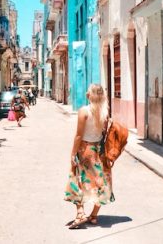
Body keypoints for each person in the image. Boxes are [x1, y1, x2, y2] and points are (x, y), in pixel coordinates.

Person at [64, 84, 114, 229]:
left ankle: (80, 213)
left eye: (88, 92)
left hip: (85, 149)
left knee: (77, 178)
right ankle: (93, 216)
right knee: (101, 182)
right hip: (99, 150)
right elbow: (104, 135)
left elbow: (79, 135)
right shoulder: (105, 113)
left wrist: (73, 153)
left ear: (89, 95)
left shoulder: (84, 111)